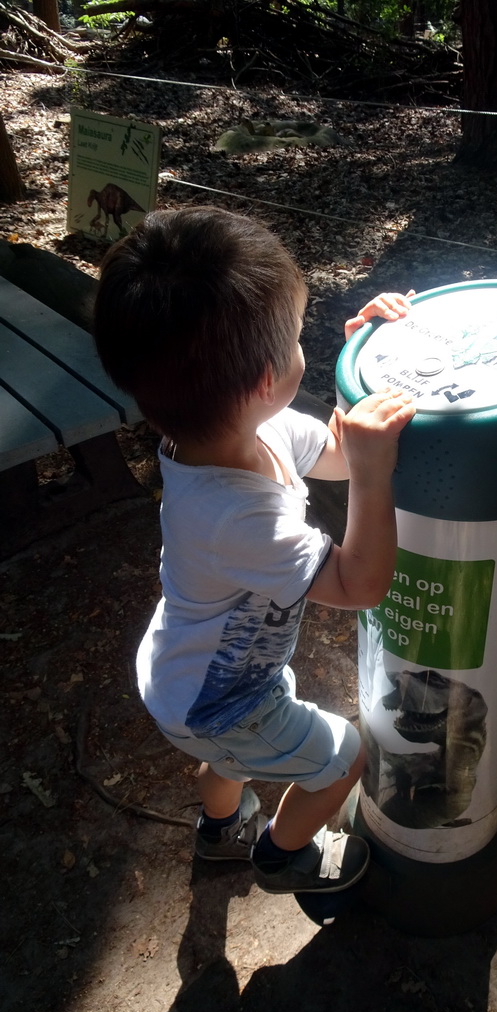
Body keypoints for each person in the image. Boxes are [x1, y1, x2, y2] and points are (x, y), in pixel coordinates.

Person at [92, 205, 415, 897]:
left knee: (230, 755)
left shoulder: (237, 430)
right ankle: (282, 855)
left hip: (192, 671)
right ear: (264, 380)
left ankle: (220, 830)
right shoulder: (235, 515)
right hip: (216, 702)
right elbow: (359, 584)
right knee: (345, 756)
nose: (309, 344)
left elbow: (331, 447)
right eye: (302, 337)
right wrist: (374, 473)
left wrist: (369, 355)